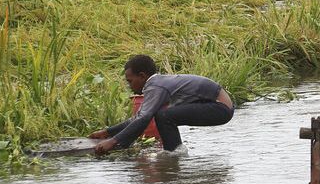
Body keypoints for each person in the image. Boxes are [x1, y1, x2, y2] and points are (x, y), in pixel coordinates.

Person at [89, 55, 235, 156]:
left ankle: (174, 155)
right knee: (163, 115)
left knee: (164, 116)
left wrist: (113, 142)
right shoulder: (156, 84)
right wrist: (108, 133)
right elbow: (138, 118)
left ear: (142, 76)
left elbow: (143, 119)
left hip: (219, 107)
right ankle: (174, 152)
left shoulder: (155, 87)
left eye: (130, 81)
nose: (129, 86)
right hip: (217, 105)